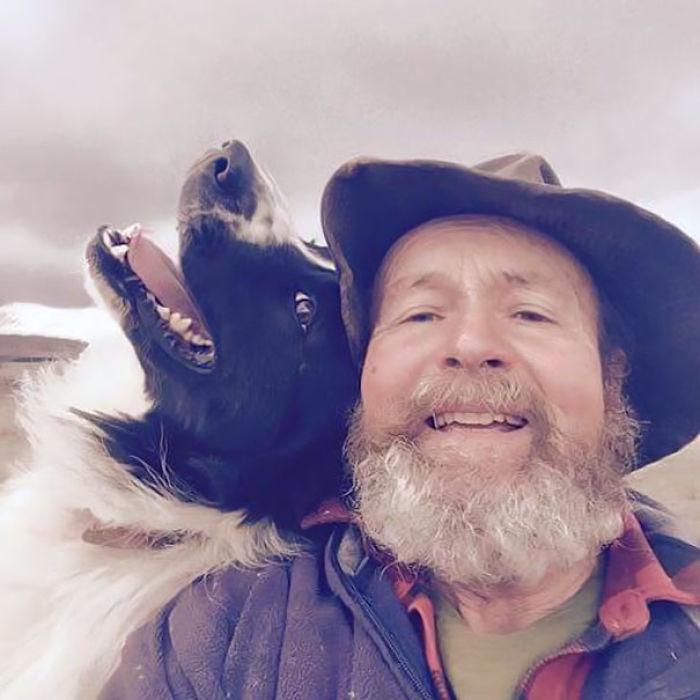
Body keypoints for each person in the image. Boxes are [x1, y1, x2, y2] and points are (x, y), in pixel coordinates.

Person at [102, 153, 700, 699]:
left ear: (612, 376)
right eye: (421, 314)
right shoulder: (222, 632)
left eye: (530, 314)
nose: (471, 345)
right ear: (366, 378)